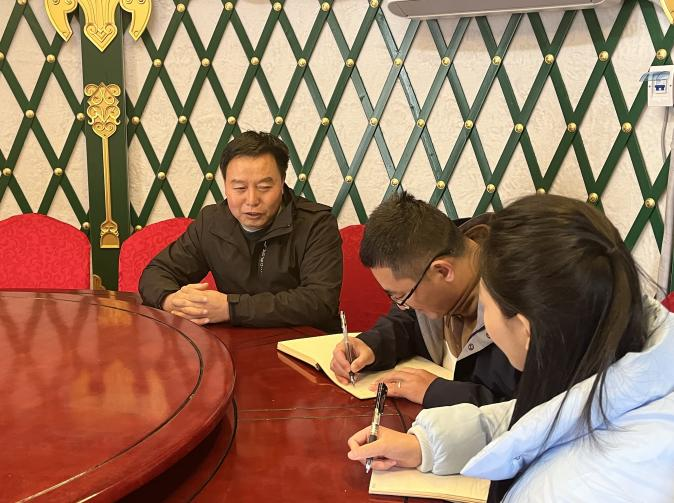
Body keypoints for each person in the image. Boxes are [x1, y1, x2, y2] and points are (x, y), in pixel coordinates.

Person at [347, 194, 674, 502]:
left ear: (525, 329)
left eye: (486, 307)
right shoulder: (616, 366)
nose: (482, 324)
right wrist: (424, 446)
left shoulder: (579, 487)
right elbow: (531, 419)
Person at [139, 131, 342, 333]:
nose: (252, 200)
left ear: (282, 183)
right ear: (225, 185)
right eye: (239, 188)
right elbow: (157, 272)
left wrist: (231, 308)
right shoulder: (211, 222)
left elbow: (319, 301)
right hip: (236, 342)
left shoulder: (316, 224)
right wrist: (171, 300)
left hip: (304, 342)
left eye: (264, 187)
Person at [330, 192, 519, 408]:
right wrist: (371, 345)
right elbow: (409, 321)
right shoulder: (430, 260)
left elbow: (531, 413)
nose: (402, 305)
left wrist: (436, 392)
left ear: (443, 271)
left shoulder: (523, 302)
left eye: (401, 296)